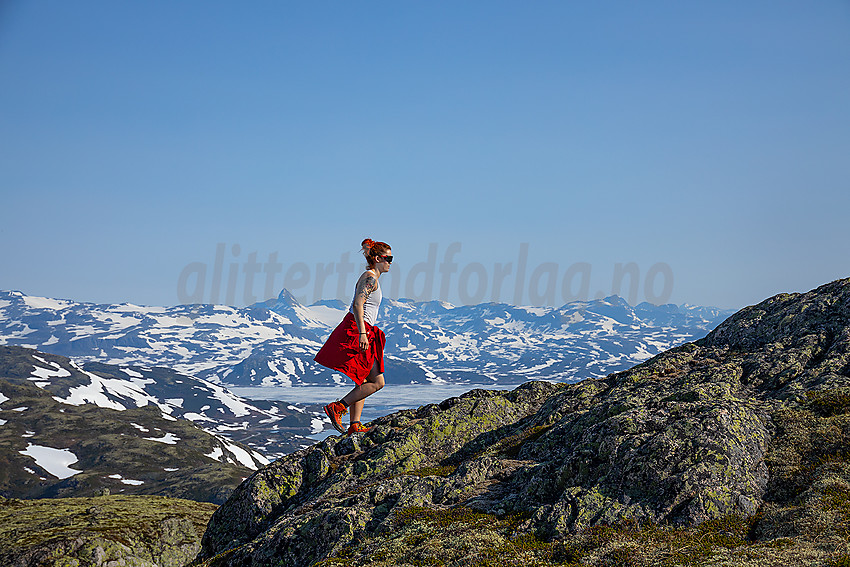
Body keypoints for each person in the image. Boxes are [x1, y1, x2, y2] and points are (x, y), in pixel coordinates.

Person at [315, 238, 392, 435]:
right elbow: (358, 305)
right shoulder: (370, 278)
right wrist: (363, 333)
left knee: (363, 378)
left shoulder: (372, 278)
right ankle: (338, 407)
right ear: (376, 258)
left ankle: (355, 424)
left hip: (362, 328)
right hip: (359, 329)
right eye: (388, 258)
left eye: (391, 258)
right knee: (377, 382)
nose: (390, 262)